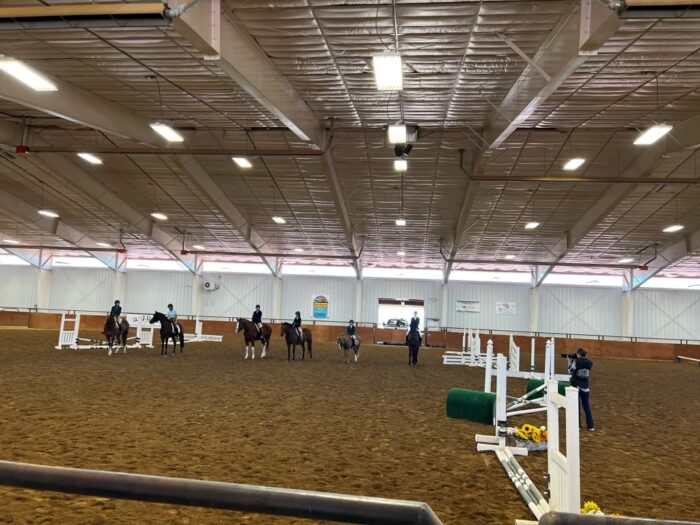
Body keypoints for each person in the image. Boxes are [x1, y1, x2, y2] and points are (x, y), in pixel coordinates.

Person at [567, 347, 595, 431]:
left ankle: (578, 426)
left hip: (576, 386)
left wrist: (570, 361)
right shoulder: (590, 363)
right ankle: (590, 426)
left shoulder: (577, 362)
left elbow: (571, 370)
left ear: (578, 354)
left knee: (576, 406)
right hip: (586, 386)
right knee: (586, 407)